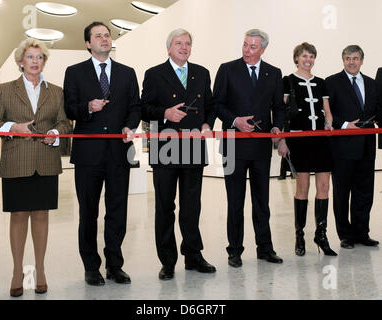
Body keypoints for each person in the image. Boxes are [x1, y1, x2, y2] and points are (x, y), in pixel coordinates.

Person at [0, 38, 72, 297]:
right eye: (31, 57)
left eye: (40, 57)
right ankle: (16, 271)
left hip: (45, 161)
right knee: (19, 216)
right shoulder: (5, 89)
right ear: (21, 61)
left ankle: (41, 270)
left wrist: (56, 132)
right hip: (16, 161)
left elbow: (65, 123)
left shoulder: (56, 91)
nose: (35, 61)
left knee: (42, 215)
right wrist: (13, 128)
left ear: (44, 62)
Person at [63, 22, 140, 286]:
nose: (104, 39)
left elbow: (135, 106)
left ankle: (115, 265)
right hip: (88, 155)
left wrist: (130, 125)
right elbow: (69, 108)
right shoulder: (74, 73)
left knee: (117, 211)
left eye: (107, 35)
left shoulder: (127, 73)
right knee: (88, 212)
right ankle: (91, 267)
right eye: (98, 36)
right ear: (88, 44)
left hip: (119, 152)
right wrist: (87, 107)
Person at [140, 28, 216, 281]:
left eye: (188, 43)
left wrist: (207, 124)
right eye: (178, 43)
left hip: (194, 145)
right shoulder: (154, 74)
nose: (184, 47)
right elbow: (144, 109)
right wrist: (165, 113)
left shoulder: (202, 73)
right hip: (165, 148)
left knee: (192, 206)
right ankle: (168, 261)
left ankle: (193, 256)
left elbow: (210, 105)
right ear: (169, 48)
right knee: (165, 206)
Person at [213, 29, 285, 267]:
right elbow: (217, 104)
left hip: (261, 146)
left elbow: (279, 107)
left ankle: (265, 248)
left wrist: (277, 127)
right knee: (235, 201)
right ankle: (234, 251)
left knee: (261, 201)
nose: (246, 50)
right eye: (245, 44)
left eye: (253, 47)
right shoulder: (227, 69)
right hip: (233, 145)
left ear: (263, 49)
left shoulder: (273, 73)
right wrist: (235, 121)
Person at [277, 42, 337, 257]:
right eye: (304, 56)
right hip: (298, 139)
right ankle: (300, 235)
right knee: (302, 187)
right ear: (296, 58)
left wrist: (329, 123)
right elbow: (281, 113)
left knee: (324, 187)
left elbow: (327, 112)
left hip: (321, 140)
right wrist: (281, 140)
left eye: (311, 56)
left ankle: (321, 234)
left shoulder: (321, 83)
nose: (308, 59)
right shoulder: (287, 81)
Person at [325, 45, 382, 249]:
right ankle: (345, 235)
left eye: (355, 58)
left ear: (362, 60)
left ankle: (361, 232)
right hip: (342, 146)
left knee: (365, 191)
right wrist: (343, 124)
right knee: (342, 192)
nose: (351, 62)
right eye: (348, 58)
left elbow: (378, 111)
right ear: (343, 60)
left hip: (367, 145)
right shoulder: (331, 82)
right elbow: (327, 111)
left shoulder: (372, 84)